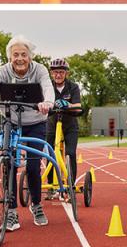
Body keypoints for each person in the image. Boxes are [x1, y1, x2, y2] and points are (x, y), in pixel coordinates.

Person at [0, 36, 55, 231]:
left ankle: (37, 205)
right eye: (15, 55)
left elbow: (48, 87)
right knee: (8, 164)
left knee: (33, 167)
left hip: (35, 122)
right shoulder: (3, 71)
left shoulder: (39, 70)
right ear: (9, 57)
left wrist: (48, 102)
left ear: (30, 57)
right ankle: (11, 212)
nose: (20, 58)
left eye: (24, 54)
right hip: (11, 121)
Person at [46, 58, 83, 189]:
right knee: (50, 155)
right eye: (55, 72)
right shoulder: (47, 87)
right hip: (52, 124)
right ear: (51, 73)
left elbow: (78, 106)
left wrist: (68, 104)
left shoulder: (73, 87)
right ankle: (50, 185)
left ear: (66, 73)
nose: (58, 75)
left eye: (61, 72)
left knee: (70, 153)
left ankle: (71, 184)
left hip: (70, 125)